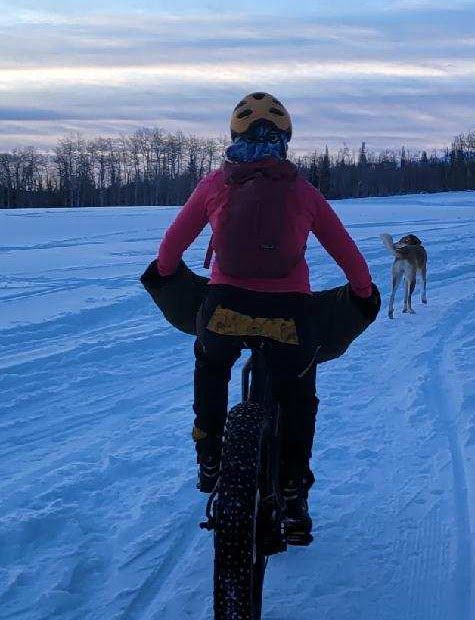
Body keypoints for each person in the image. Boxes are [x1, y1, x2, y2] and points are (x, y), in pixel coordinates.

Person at [155, 91, 376, 545]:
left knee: (212, 363)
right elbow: (347, 253)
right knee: (298, 393)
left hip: (224, 308)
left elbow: (168, 252)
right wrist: (361, 293)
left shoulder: (215, 183)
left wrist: (166, 276)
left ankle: (210, 451)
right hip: (288, 314)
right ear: (286, 141)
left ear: (233, 137)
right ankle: (294, 493)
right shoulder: (301, 189)